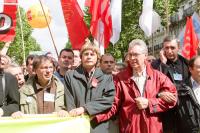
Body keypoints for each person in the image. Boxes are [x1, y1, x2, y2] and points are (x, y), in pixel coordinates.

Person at [94, 39, 177, 133]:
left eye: (136, 54)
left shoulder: (158, 77)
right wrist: (94, 117)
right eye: (130, 54)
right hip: (130, 129)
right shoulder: (120, 78)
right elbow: (113, 104)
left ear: (145, 55)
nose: (132, 58)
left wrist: (149, 103)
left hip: (153, 129)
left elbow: (173, 98)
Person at [63, 42, 115, 133]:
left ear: (97, 58)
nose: (89, 57)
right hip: (76, 125)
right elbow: (69, 99)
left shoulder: (106, 77)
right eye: (86, 54)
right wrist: (74, 114)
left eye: (92, 54)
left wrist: (85, 109)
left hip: (98, 126)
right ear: (81, 57)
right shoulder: (70, 76)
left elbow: (109, 99)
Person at [151, 36, 190, 133]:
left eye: (172, 48)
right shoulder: (155, 65)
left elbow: (190, 85)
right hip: (165, 113)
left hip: (183, 110)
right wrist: (163, 64)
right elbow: (153, 85)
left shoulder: (186, 63)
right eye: (166, 48)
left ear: (178, 47)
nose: (169, 51)